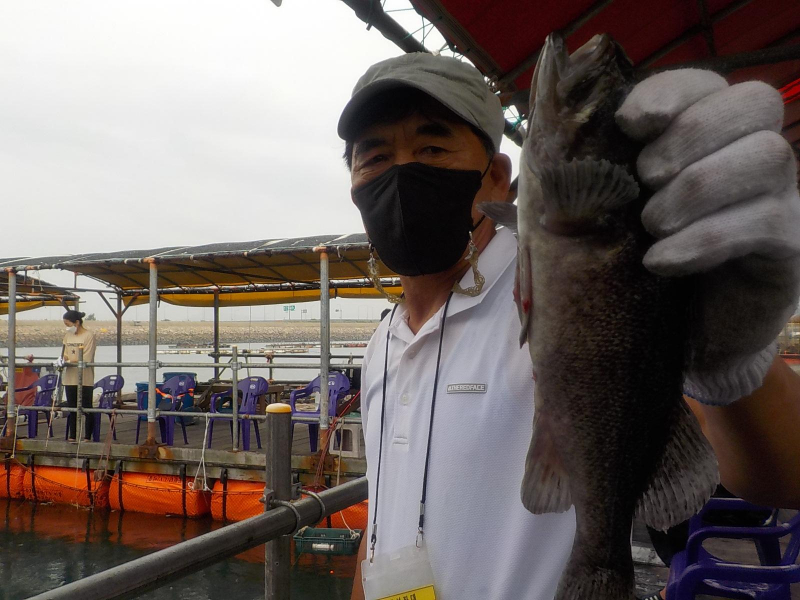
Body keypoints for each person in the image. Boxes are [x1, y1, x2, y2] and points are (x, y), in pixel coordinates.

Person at [338, 51, 800, 600]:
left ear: (497, 178)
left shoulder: (570, 286)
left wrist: (738, 367)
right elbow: (385, 518)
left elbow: (786, 474)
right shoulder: (381, 343)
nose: (401, 172)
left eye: (432, 147)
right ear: (354, 183)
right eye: (374, 157)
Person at [60, 309, 97, 442]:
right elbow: (65, 353)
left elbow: (87, 358)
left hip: (85, 377)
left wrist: (71, 361)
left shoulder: (89, 335)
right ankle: (72, 435)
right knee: (72, 408)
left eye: (68, 324)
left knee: (86, 407)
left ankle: (87, 436)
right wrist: (63, 360)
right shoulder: (68, 336)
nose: (67, 327)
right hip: (70, 377)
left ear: (77, 322)